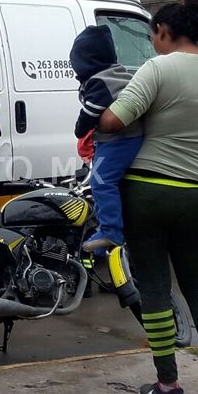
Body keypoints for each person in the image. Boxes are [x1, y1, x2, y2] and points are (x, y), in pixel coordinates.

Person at [98, 0, 198, 394]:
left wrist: (97, 113)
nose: (153, 44)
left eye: (153, 36)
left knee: (156, 290)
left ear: (165, 32)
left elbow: (114, 119)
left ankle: (168, 383)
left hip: (149, 192)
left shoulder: (157, 68)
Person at [70, 25, 142, 251]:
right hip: (126, 138)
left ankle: (110, 232)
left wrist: (79, 130)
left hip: (119, 141)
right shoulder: (117, 73)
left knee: (101, 182)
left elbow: (90, 113)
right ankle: (107, 237)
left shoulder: (99, 81)